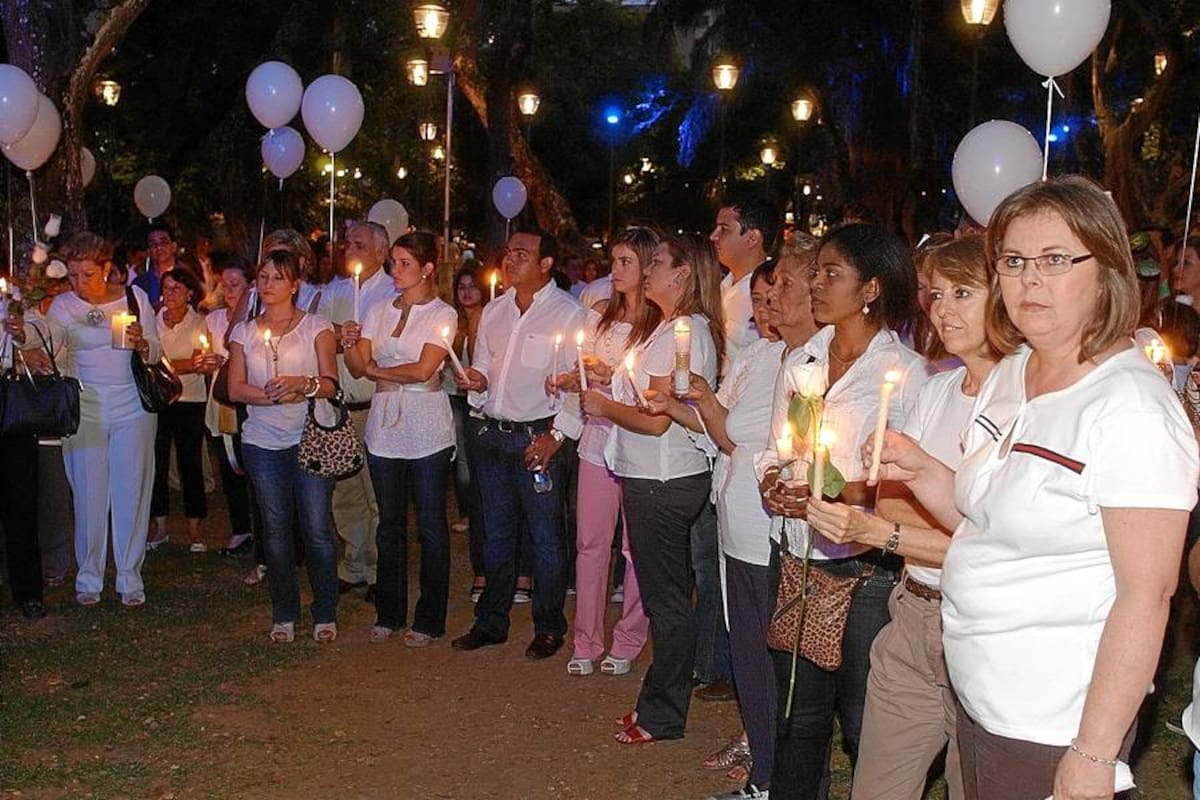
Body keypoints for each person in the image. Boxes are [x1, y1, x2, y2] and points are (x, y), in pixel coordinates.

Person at [874, 176, 1198, 800]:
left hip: (1051, 720)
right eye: (1014, 261)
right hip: (980, 701)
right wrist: (922, 471)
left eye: (1054, 260)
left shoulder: (1130, 407)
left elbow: (1147, 595)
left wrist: (1093, 753)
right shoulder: (1013, 372)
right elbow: (986, 522)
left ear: (1106, 270)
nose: (1030, 280)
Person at [803, 236, 1001, 800]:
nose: (943, 309)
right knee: (877, 787)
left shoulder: (1021, 401)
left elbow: (996, 542)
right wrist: (914, 524)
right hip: (912, 611)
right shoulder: (938, 389)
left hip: (979, 624)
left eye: (963, 293)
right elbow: (889, 496)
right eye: (936, 294)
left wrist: (885, 533)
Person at [759, 223, 930, 799]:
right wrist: (773, 482)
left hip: (865, 569)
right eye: (816, 272)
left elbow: (911, 482)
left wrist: (843, 494)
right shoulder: (802, 360)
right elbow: (778, 448)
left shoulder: (905, 375)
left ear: (870, 289)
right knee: (797, 714)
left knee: (863, 718)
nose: (815, 284)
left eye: (831, 273)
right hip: (799, 555)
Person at [586, 233, 724, 744]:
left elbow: (657, 421)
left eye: (658, 263)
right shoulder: (666, 328)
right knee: (665, 596)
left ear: (683, 273)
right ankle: (655, 702)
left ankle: (663, 714)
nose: (648, 272)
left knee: (667, 601)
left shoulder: (686, 333)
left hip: (663, 477)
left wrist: (604, 406)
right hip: (649, 475)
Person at [450, 229, 584, 661]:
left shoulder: (568, 314)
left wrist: (557, 436)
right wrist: (476, 381)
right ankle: (491, 621)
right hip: (493, 435)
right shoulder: (495, 310)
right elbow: (485, 367)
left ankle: (548, 625)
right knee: (495, 534)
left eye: (522, 254)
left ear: (546, 264)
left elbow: (579, 384)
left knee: (546, 538)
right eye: (509, 253)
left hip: (537, 439)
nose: (511, 260)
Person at [342, 231, 457, 647]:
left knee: (430, 523)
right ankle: (389, 612)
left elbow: (424, 369)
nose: (396, 269)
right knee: (389, 523)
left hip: (426, 425)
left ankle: (429, 618)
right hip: (385, 425)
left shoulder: (443, 314)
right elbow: (358, 366)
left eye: (405, 263)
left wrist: (376, 370)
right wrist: (349, 344)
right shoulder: (376, 309)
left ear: (427, 268)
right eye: (394, 261)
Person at [556, 227, 660, 677]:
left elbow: (652, 391)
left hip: (637, 442)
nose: (615, 270)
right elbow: (584, 374)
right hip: (597, 440)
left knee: (636, 548)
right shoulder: (598, 315)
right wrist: (573, 379)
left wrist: (609, 373)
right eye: (614, 260)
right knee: (590, 542)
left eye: (625, 262)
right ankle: (586, 639)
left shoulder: (660, 325)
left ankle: (630, 637)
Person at [227, 249, 341, 643]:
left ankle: (325, 610)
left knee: (316, 527)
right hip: (262, 442)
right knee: (275, 530)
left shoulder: (316, 326)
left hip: (309, 437)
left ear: (295, 284)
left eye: (278, 277)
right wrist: (272, 396)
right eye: (263, 277)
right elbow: (235, 388)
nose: (268, 284)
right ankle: (285, 612)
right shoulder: (244, 332)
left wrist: (301, 385)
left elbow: (330, 383)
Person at [694, 192, 779, 703]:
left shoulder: (762, 301)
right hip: (725, 440)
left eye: (724, 228)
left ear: (754, 236)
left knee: (750, 584)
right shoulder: (724, 289)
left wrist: (709, 402)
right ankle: (724, 663)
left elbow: (738, 424)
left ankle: (737, 672)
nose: (714, 237)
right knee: (717, 569)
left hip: (751, 452)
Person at [47, 232, 161, 608]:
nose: (80, 283)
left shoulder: (134, 298)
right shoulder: (63, 305)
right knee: (88, 493)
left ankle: (129, 575)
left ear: (107, 268)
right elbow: (47, 346)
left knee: (131, 490)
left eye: (88, 274)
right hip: (85, 407)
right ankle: (89, 576)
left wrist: (142, 343)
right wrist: (25, 336)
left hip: (132, 405)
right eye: (73, 275)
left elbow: (156, 351)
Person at [318, 221, 395, 600]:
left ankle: (381, 569)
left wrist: (358, 338)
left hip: (374, 404)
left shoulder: (393, 293)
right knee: (345, 492)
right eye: (348, 244)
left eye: (359, 245)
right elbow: (317, 334)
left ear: (381, 252)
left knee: (375, 491)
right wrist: (338, 334)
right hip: (339, 407)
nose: (350, 250)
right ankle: (353, 563)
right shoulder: (335, 290)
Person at [195, 254, 257, 557]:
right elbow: (207, 353)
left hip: (246, 400)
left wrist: (230, 362)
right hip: (220, 400)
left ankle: (262, 530)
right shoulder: (214, 319)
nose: (229, 291)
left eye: (236, 285)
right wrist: (207, 363)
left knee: (252, 466)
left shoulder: (255, 319)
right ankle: (240, 528)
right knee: (229, 467)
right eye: (225, 285)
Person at [149, 267, 210, 552]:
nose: (171, 293)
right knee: (157, 461)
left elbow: (198, 362)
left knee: (190, 463)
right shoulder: (152, 321)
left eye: (177, 288)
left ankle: (195, 526)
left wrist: (161, 364)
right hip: (159, 399)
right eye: (167, 287)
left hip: (190, 399)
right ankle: (160, 525)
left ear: (189, 293)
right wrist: (179, 364)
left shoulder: (199, 323)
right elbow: (146, 357)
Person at [1, 306, 48, 619]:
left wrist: (22, 337)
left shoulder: (13, 298)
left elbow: (43, 334)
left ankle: (28, 590)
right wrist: (15, 359)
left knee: (21, 502)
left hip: (13, 408)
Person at [446, 266, 486, 597]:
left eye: (473, 286)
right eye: (462, 287)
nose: (467, 292)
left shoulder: (488, 319)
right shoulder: (451, 322)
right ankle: (468, 510)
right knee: (461, 459)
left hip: (480, 400)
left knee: (477, 461)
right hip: (455, 396)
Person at [135, 224, 188, 309]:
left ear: (174, 247)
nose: (159, 247)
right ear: (148, 252)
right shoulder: (140, 283)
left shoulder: (188, 279)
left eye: (163, 242)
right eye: (153, 244)